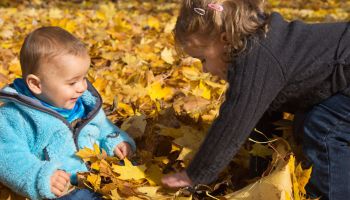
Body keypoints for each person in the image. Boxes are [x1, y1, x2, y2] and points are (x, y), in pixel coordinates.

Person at [161, 0, 350, 199]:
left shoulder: (257, 59)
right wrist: (257, 174)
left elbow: (232, 124)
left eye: (203, 59)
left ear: (225, 40)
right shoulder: (262, 47)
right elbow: (262, 121)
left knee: (323, 127)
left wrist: (195, 175)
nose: (204, 70)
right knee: (307, 120)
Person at [0, 26, 136, 200]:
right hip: (62, 189)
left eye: (84, 78)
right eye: (72, 83)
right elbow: (8, 156)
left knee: (132, 178)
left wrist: (115, 142)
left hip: (97, 174)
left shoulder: (84, 104)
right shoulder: (17, 117)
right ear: (36, 84)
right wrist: (40, 177)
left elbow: (102, 127)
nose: (82, 87)